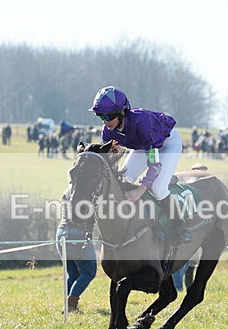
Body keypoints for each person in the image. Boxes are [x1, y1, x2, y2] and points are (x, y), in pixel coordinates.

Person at [89, 85, 189, 243]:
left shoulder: (141, 123)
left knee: (157, 187)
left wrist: (139, 192)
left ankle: (180, 225)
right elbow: (108, 165)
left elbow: (154, 166)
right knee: (126, 178)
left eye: (108, 117)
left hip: (168, 143)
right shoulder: (107, 131)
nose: (105, 121)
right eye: (101, 116)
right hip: (142, 146)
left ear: (122, 113)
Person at [56, 184, 97, 312]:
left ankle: (67, 306)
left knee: (73, 274)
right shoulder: (86, 190)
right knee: (89, 272)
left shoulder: (69, 189)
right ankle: (71, 306)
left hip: (61, 233)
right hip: (77, 234)